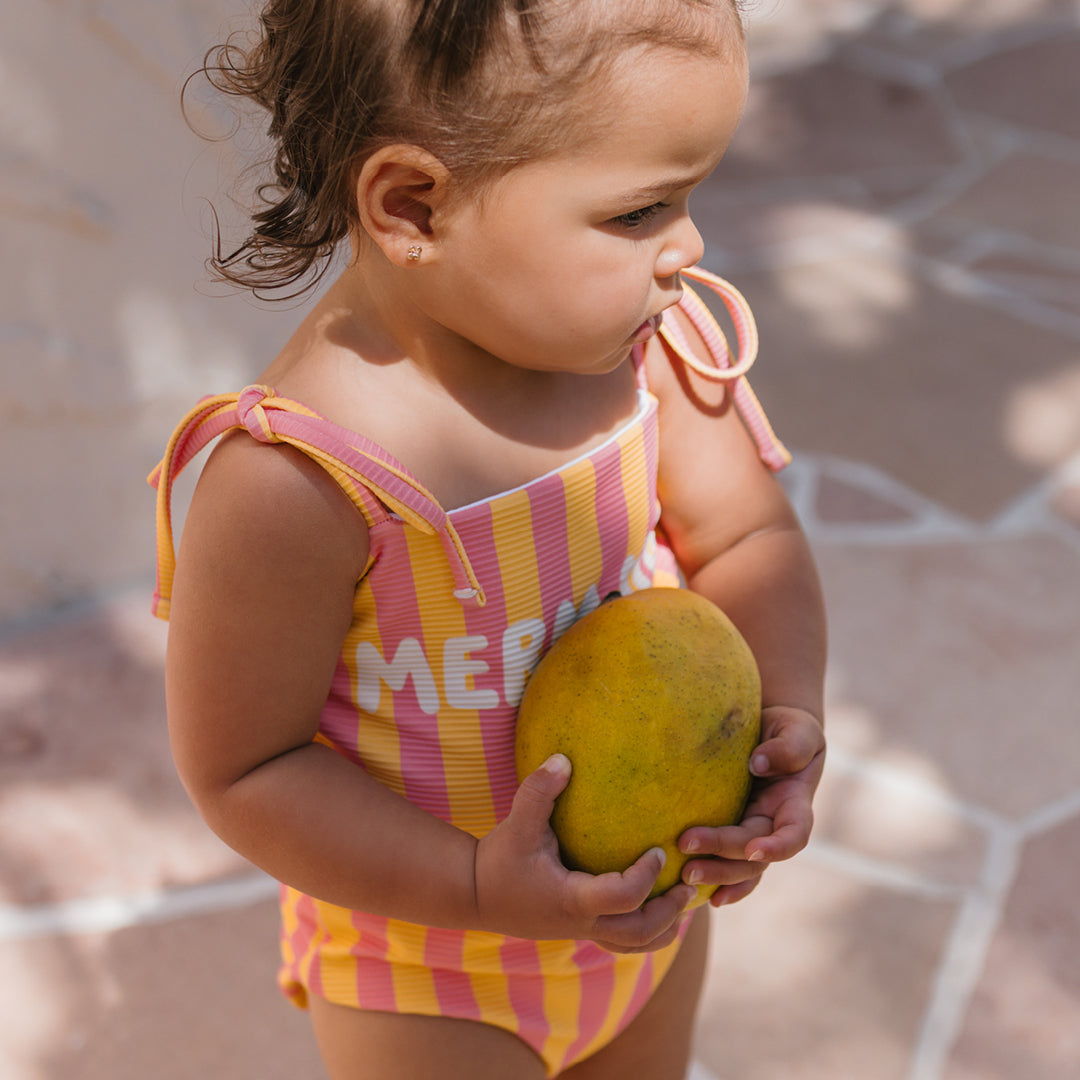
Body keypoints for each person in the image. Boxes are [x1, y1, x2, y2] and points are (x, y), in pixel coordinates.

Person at [148, 1, 827, 1077]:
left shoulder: (646, 358)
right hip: (426, 972)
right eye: (639, 211)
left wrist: (789, 713)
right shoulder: (299, 481)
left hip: (644, 929)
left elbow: (747, 538)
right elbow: (246, 768)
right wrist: (477, 888)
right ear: (415, 204)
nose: (687, 247)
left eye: (688, 198)